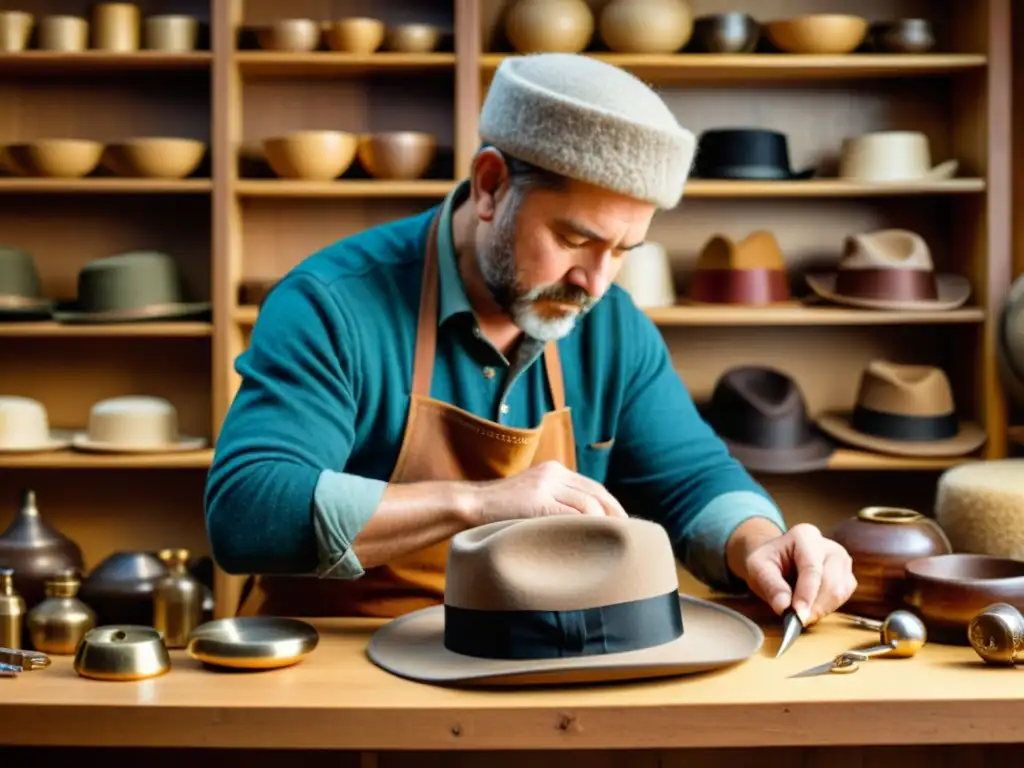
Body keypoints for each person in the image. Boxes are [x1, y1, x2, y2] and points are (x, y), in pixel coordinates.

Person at [205, 53, 856, 624]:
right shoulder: (334, 304)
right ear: (491, 185)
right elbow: (247, 509)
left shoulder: (613, 326)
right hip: (339, 673)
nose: (595, 281)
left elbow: (693, 481)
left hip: (532, 662)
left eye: (623, 250)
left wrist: (758, 542)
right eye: (575, 239)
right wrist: (477, 503)